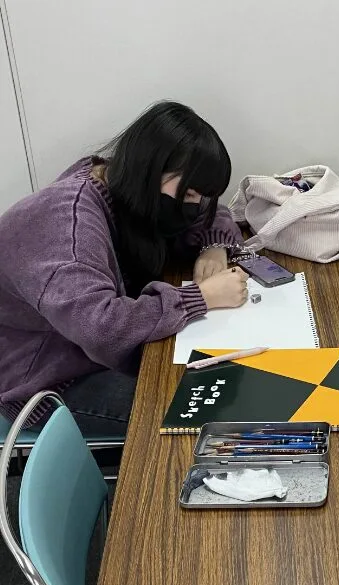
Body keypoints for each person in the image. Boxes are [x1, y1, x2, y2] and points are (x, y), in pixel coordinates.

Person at [0, 101, 250, 436]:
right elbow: (101, 329)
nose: (194, 205)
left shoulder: (119, 184)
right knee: (208, 406)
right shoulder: (67, 226)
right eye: (189, 193)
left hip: (84, 352)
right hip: (45, 382)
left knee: (223, 383)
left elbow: (210, 211)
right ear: (150, 169)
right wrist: (198, 298)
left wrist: (213, 246)